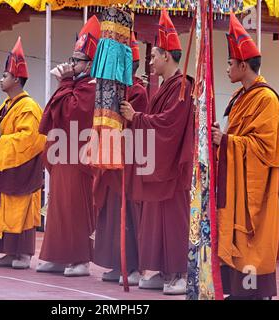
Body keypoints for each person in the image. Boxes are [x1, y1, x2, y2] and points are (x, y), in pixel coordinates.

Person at [212, 13, 279, 300]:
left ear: (243, 65)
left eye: (230, 63)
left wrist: (229, 141)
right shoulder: (239, 97)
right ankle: (239, 291)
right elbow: (236, 133)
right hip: (235, 184)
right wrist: (223, 136)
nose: (227, 67)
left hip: (256, 191)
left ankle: (256, 293)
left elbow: (268, 148)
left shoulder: (265, 98)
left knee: (251, 244)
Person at [120, 9, 194, 295]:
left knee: (172, 221)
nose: (150, 61)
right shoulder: (164, 88)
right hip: (157, 165)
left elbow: (169, 125)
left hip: (172, 168)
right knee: (154, 220)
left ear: (166, 56)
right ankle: (163, 271)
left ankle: (179, 273)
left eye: (154, 56)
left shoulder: (182, 87)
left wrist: (136, 117)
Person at [37, 16, 101, 277]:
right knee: (57, 207)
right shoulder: (74, 83)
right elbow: (53, 112)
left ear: (90, 64)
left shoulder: (92, 86)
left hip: (79, 155)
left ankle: (80, 259)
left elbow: (74, 114)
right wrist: (64, 84)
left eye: (77, 60)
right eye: (72, 59)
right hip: (63, 153)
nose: (71, 64)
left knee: (74, 207)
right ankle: (57, 256)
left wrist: (64, 84)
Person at [0, 37, 46, 269]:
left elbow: (31, 138)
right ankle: (7, 252)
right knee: (4, 209)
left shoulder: (28, 106)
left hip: (22, 169)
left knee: (20, 209)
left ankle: (22, 254)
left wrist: (2, 142)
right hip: (4, 166)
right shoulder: (8, 105)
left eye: (5, 76)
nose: (1, 79)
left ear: (17, 79)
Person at [93, 32, 148, 286]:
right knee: (113, 216)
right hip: (112, 161)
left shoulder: (137, 92)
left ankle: (133, 266)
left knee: (129, 218)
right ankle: (117, 263)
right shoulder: (111, 90)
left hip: (129, 161)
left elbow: (139, 127)